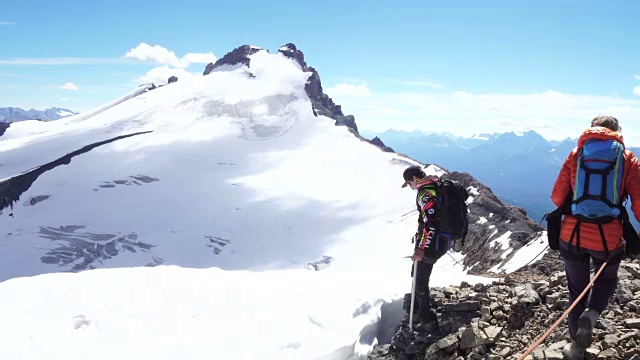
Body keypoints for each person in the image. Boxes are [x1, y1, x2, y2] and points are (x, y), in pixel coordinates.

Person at [551, 116, 640, 358]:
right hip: (607, 237)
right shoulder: (627, 158)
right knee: (606, 279)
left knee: (576, 289)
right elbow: (639, 202)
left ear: (592, 129)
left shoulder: (575, 154)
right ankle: (592, 312)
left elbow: (557, 198)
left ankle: (576, 348)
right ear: (617, 132)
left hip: (572, 234)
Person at [401, 165, 449, 332]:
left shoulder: (425, 193)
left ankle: (426, 321)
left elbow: (431, 223)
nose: (410, 186)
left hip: (432, 244)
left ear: (414, 179)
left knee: (420, 279)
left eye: (408, 183)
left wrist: (421, 248)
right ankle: (418, 309)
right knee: (417, 274)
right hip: (438, 241)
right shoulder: (431, 185)